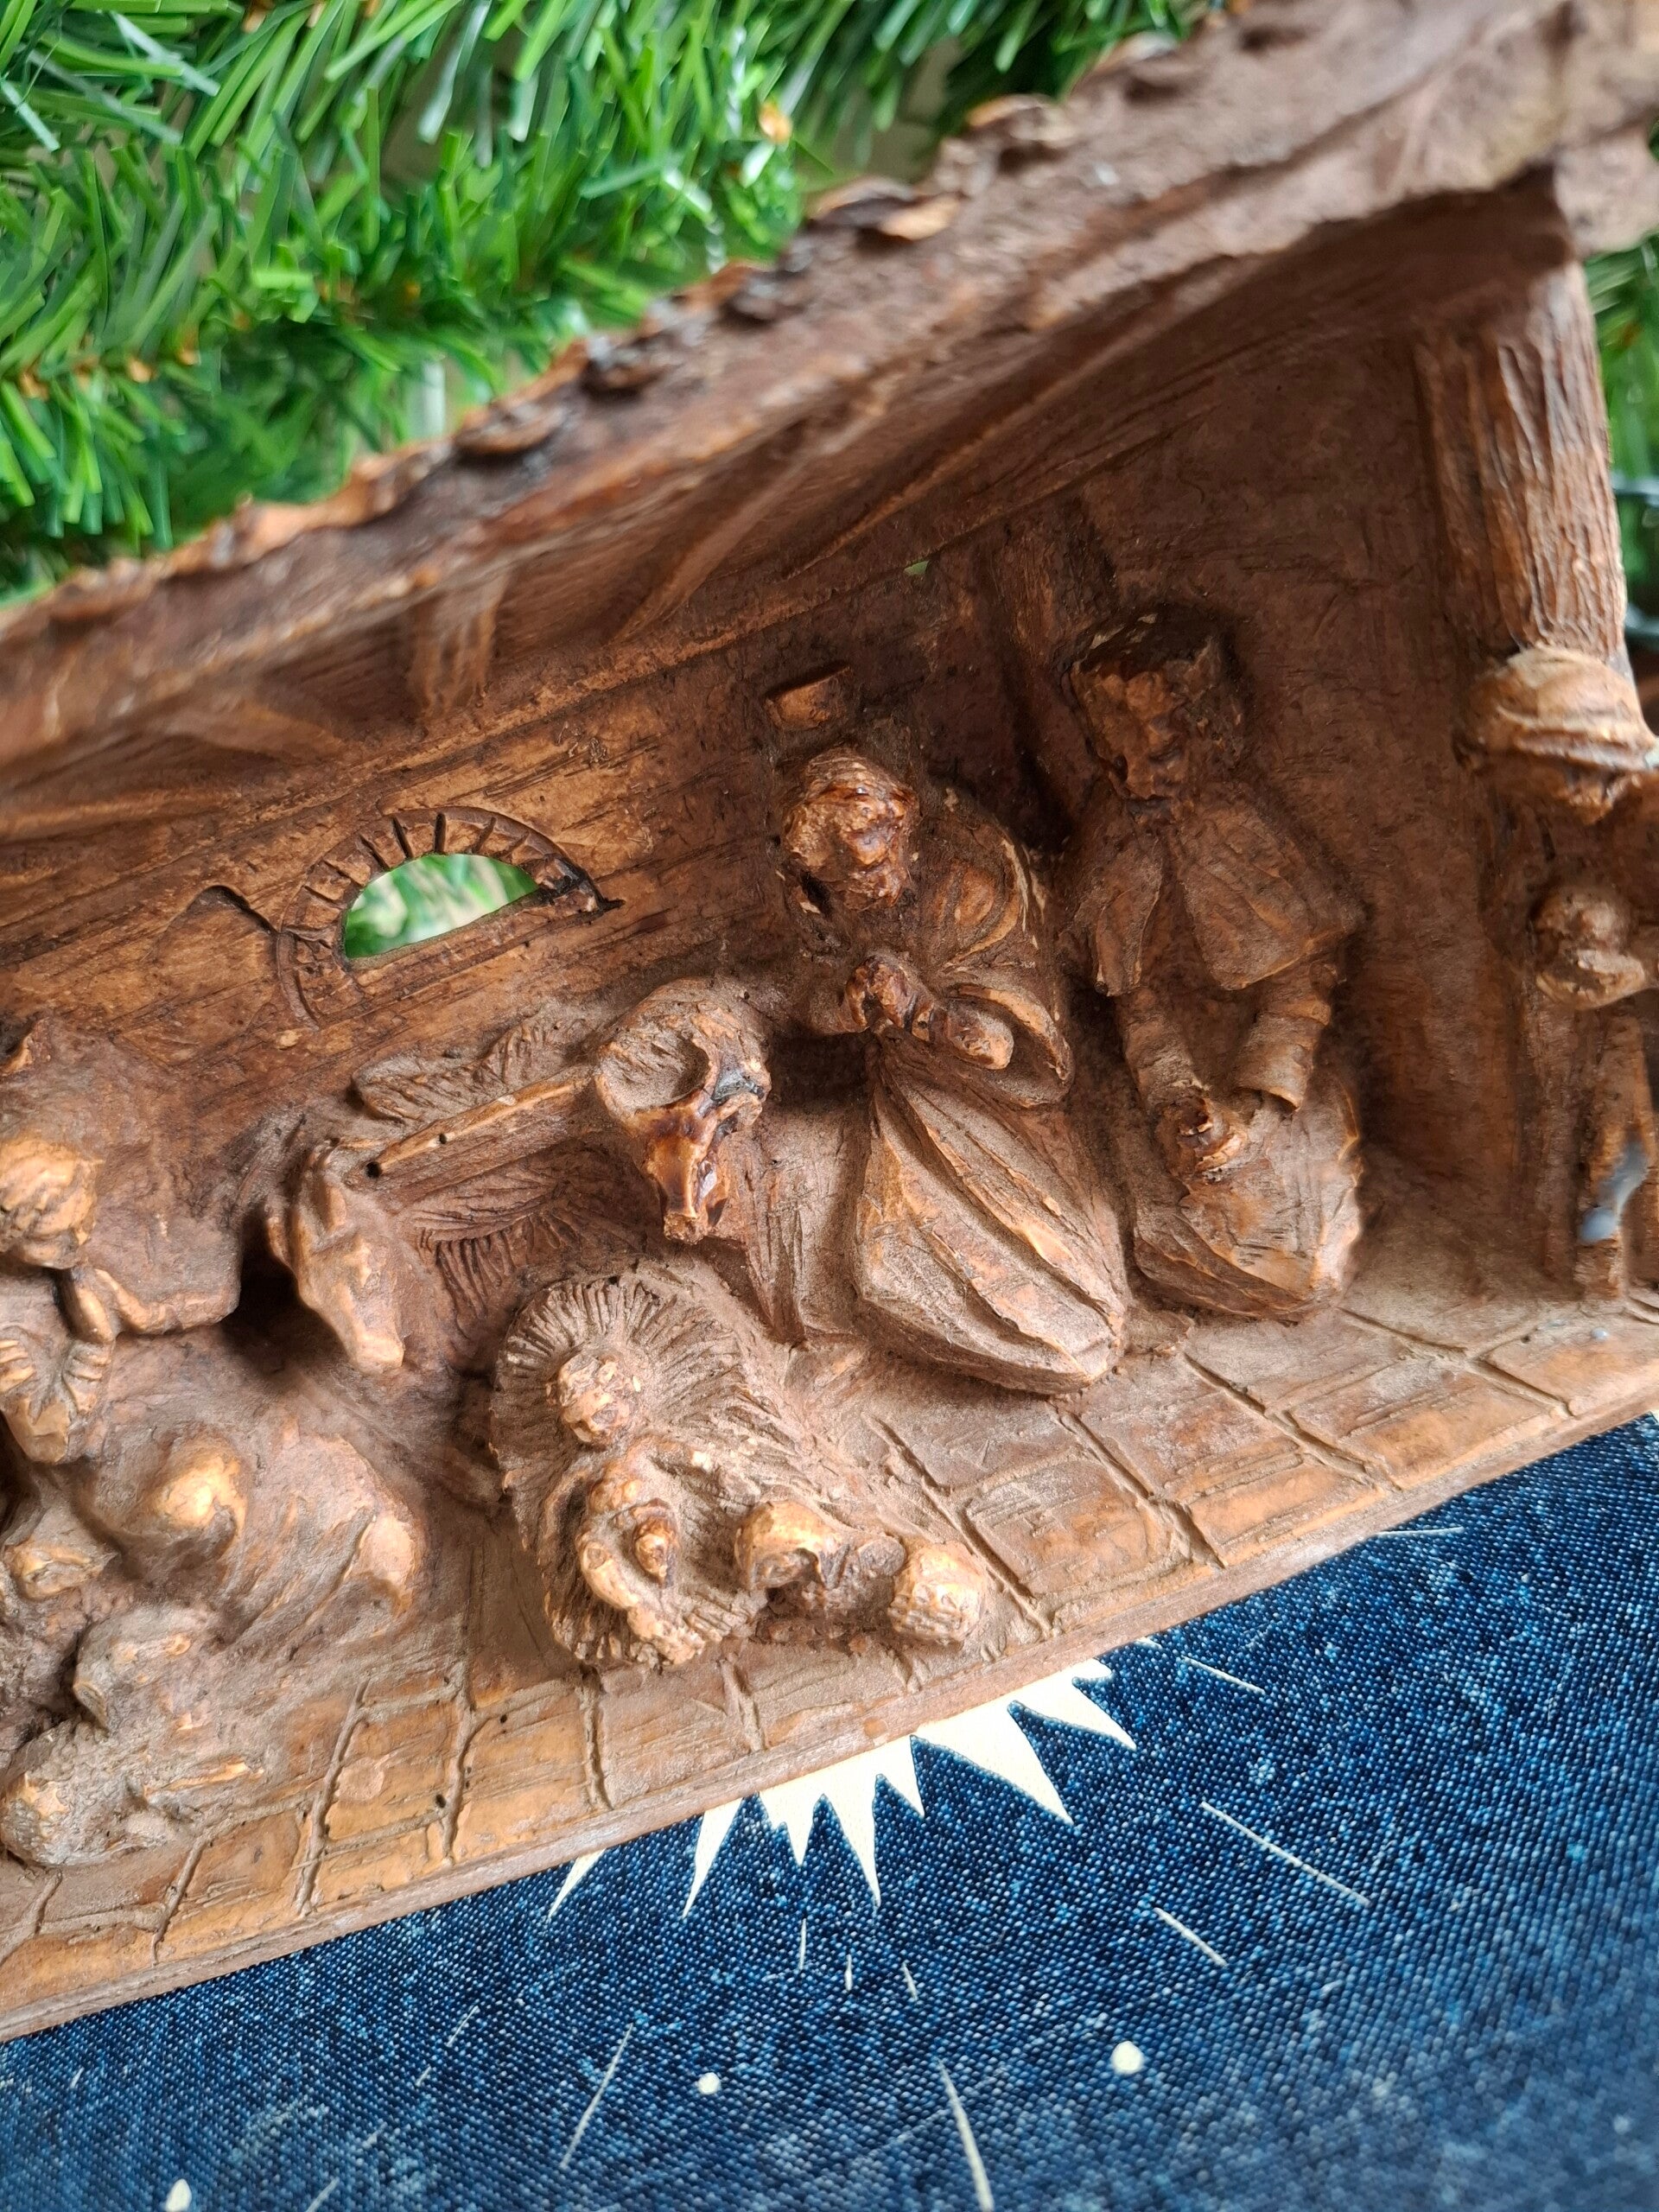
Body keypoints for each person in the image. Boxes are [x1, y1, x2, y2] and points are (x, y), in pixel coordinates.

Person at [778, 746, 1128, 1393]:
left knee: (1037, 1249)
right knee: (889, 1265)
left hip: (997, 1107)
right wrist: (851, 1003)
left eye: (871, 862)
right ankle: (1012, 1345)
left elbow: (1001, 1046)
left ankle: (1073, 1333)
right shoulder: (824, 900)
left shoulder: (969, 894)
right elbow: (808, 1003)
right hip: (909, 1107)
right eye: (843, 883)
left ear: (903, 818)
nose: (863, 890)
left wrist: (919, 1011)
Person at [1059, 611, 1363, 1317]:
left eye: (1161, 756)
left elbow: (1298, 995)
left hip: (1278, 1074)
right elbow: (1136, 1002)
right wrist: (1173, 1096)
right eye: (1115, 764)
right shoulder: (1111, 843)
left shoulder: (1252, 833)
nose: (1137, 783)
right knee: (1162, 1226)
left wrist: (1254, 1113)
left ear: (1207, 734)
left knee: (1303, 1260)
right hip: (1166, 1076)